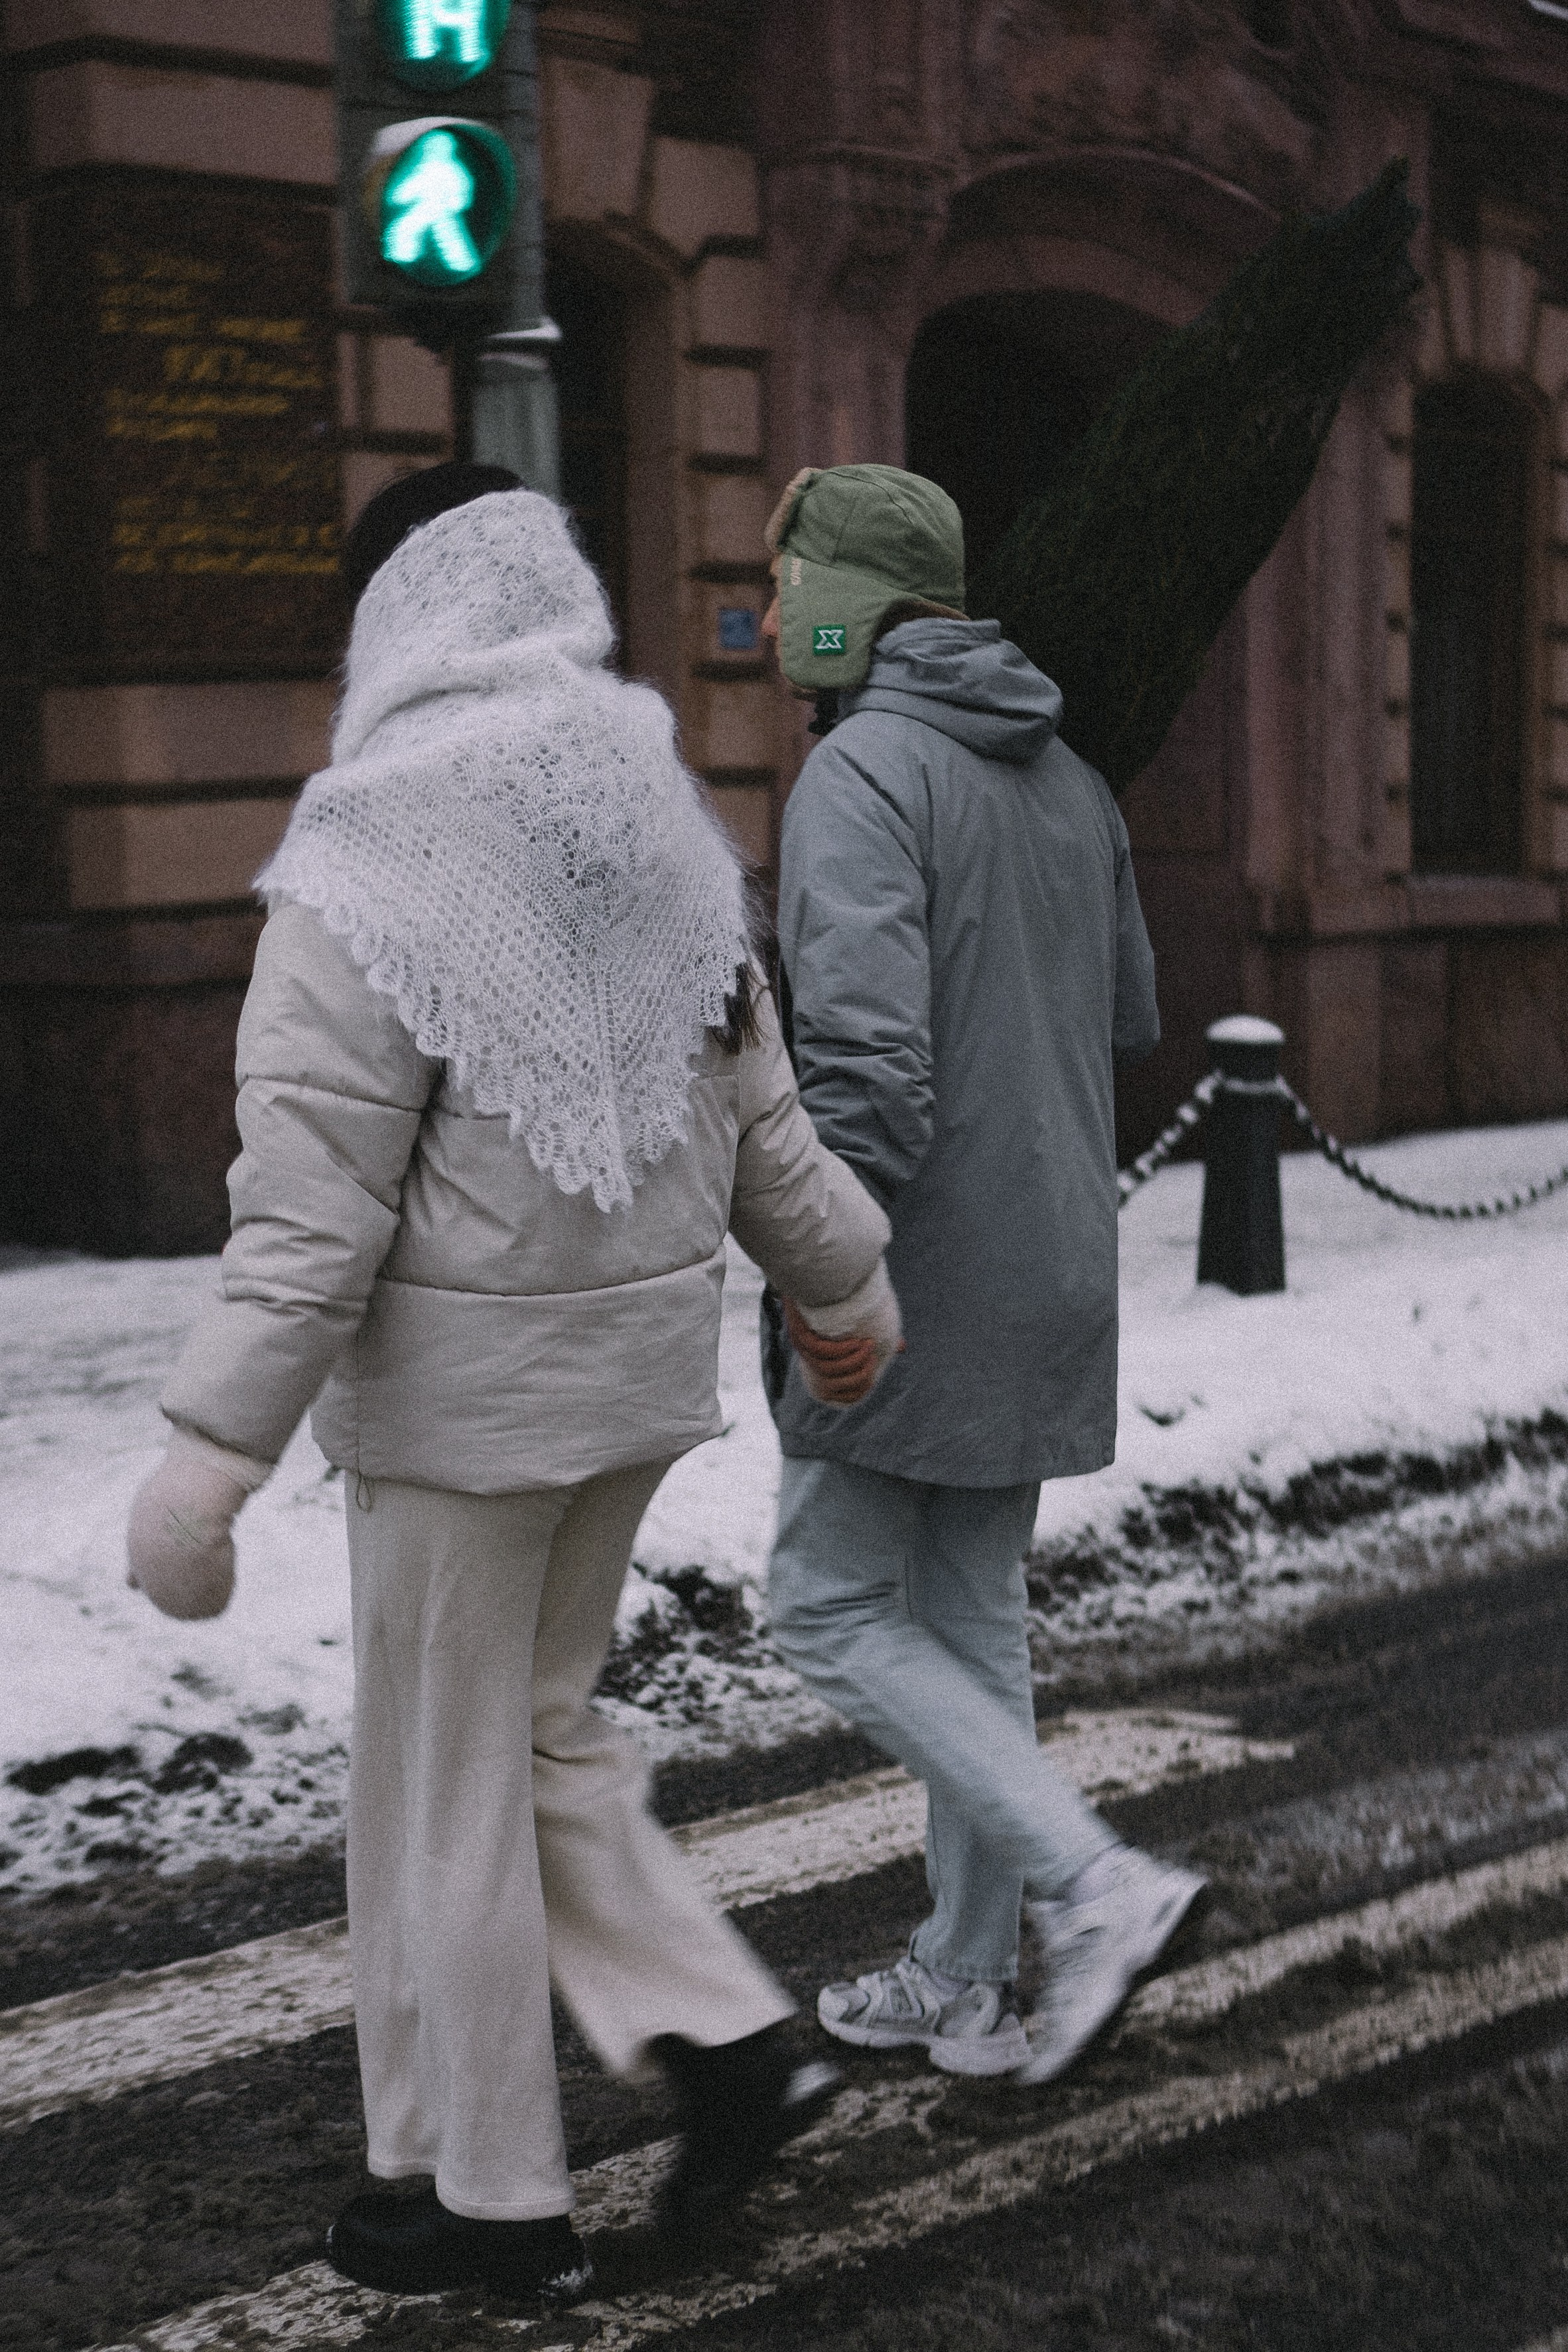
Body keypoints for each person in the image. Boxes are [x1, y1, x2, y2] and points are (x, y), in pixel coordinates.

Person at [125, 465, 903, 2304]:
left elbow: (307, 1208)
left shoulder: (370, 849)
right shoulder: (653, 811)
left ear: (392, 614)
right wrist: (843, 1286)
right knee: (534, 1745)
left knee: (446, 1790)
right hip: (631, 1380)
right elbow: (757, 1108)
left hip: (463, 1416)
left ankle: (486, 2194)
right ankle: (713, 2049)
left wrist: (207, 1450)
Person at [759, 463, 1205, 2089]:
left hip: (911, 1266)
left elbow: (866, 1076)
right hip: (1055, 1260)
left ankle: (1097, 1885)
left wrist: (825, 1273)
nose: (773, 598)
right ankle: (967, 1984)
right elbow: (1130, 1019)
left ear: (850, 597)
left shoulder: (861, 774)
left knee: (823, 1602)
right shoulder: (1074, 779)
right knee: (966, 1613)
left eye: (792, 565)